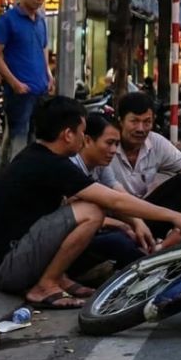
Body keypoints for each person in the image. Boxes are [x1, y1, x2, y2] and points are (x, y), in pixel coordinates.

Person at [0, 97, 181, 309]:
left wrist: (136, 223)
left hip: (4, 260)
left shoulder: (40, 157)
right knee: (91, 211)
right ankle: (46, 285)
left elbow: (115, 197)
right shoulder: (52, 164)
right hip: (2, 269)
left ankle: (58, 277)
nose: (84, 139)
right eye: (83, 133)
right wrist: (174, 217)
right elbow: (113, 200)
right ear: (68, 135)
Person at [108, 92, 181, 247]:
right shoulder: (108, 148)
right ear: (120, 121)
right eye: (134, 121)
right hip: (114, 216)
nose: (141, 128)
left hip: (145, 212)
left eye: (147, 122)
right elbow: (114, 199)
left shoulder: (155, 142)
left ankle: (165, 238)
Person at [70, 113, 154, 265]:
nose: (114, 150)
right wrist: (120, 224)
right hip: (68, 241)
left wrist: (138, 223)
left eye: (116, 144)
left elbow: (119, 193)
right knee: (119, 241)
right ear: (87, 140)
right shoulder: (70, 167)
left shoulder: (101, 164)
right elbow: (114, 202)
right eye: (109, 143)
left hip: (95, 228)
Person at [0, 0, 54, 167]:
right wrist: (14, 83)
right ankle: (14, 182)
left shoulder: (41, 21)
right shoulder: (7, 20)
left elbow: (43, 49)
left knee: (38, 139)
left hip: (40, 90)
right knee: (18, 139)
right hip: (20, 92)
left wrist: (49, 75)